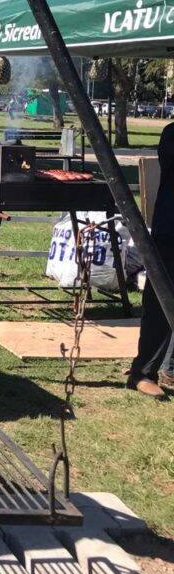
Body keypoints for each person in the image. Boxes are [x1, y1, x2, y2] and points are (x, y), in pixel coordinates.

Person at [126, 122, 174, 399]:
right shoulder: (171, 134)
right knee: (161, 299)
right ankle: (143, 372)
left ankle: (171, 368)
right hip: (171, 229)